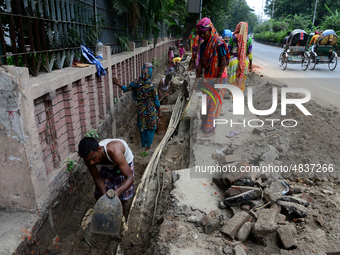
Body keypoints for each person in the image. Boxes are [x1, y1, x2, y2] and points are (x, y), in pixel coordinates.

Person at [78, 137, 135, 218]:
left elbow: (130, 178)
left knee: (122, 199)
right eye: (88, 160)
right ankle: (104, 217)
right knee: (99, 195)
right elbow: (96, 177)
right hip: (107, 166)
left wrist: (117, 193)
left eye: (93, 158)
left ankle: (121, 221)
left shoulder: (114, 151)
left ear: (99, 149)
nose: (91, 163)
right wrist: (105, 196)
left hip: (124, 163)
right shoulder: (88, 159)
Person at [113, 63, 161, 150]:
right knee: (151, 126)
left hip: (141, 109)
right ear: (150, 73)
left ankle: (143, 143)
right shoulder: (152, 85)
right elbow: (156, 100)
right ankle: (148, 146)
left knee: (143, 126)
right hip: (151, 109)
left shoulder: (136, 83)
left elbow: (126, 88)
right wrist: (159, 111)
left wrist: (118, 84)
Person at [195, 17, 229, 134]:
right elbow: (201, 64)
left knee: (214, 102)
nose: (202, 36)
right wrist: (196, 78)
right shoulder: (204, 45)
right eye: (201, 34)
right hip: (208, 77)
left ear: (210, 30)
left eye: (204, 33)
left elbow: (223, 62)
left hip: (219, 76)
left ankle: (211, 124)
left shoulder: (219, 43)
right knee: (206, 100)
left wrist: (217, 80)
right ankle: (205, 122)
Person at [228, 22, 253, 93]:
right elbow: (250, 53)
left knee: (233, 79)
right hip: (243, 62)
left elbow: (228, 50)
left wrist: (226, 62)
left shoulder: (233, 37)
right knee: (241, 79)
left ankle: (233, 94)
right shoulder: (249, 39)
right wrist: (250, 65)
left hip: (233, 61)